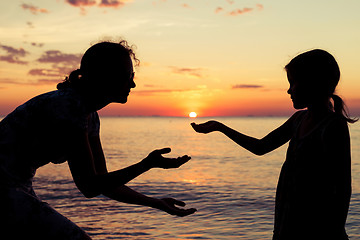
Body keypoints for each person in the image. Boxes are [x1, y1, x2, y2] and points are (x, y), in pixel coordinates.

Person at [0, 40, 196, 239]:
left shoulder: (89, 115)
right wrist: (146, 165)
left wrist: (155, 202)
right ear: (108, 77)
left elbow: (102, 181)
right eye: (129, 76)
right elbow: (89, 186)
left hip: (17, 187)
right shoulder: (69, 108)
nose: (133, 84)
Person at [191, 49, 356, 240]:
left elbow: (343, 187)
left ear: (312, 82)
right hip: (287, 223)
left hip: (317, 229)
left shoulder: (332, 126)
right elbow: (261, 147)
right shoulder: (299, 119)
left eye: (293, 83)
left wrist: (336, 229)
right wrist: (220, 128)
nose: (289, 90)